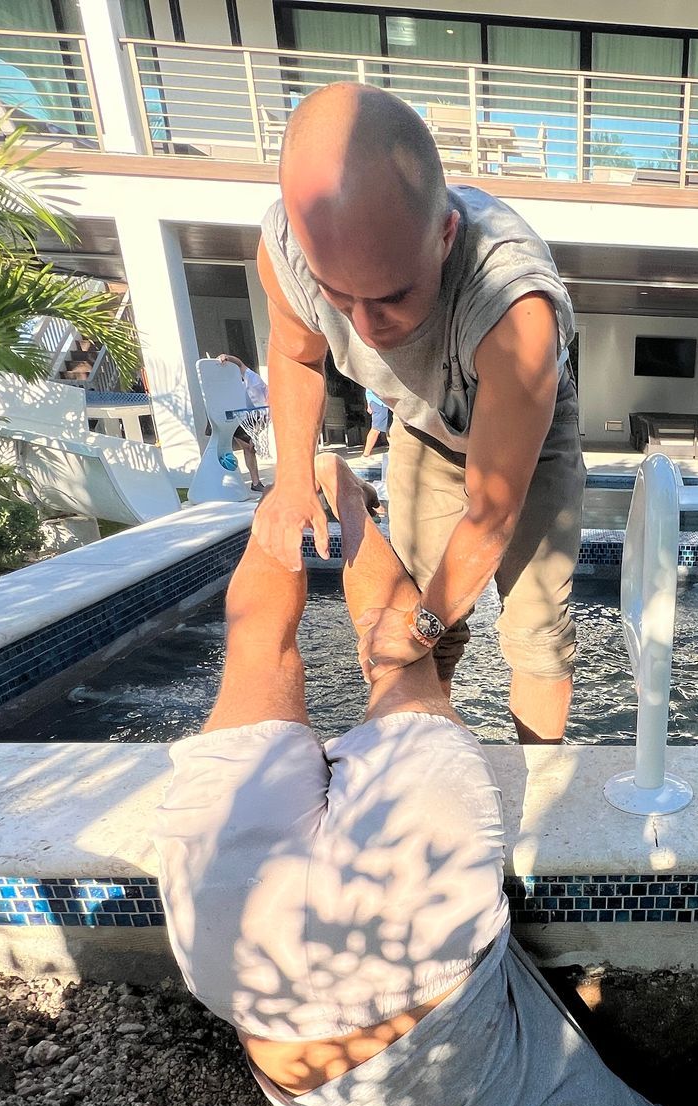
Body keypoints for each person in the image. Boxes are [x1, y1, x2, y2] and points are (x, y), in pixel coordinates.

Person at [152, 455, 698, 1106]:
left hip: (418, 909)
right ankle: (308, 493)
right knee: (261, 639)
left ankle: (343, 500)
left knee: (395, 659)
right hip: (248, 949)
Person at [253, 83, 586, 743]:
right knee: (422, 624)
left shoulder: (514, 307)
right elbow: (295, 358)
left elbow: (491, 518)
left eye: (393, 297)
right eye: (339, 298)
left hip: (528, 432)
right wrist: (292, 479)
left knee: (533, 630)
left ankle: (540, 801)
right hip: (420, 419)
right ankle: (426, 766)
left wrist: (419, 627)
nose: (368, 328)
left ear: (445, 234)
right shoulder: (291, 248)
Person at [215, 353, 270, 491]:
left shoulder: (253, 379)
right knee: (247, 448)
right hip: (237, 417)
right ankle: (253, 482)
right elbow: (238, 361)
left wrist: (257, 432)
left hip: (254, 417)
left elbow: (239, 363)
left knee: (251, 448)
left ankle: (255, 483)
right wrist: (225, 356)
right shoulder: (228, 387)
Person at [361, 386, 390, 459]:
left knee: (388, 428)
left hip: (379, 401)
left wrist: (369, 403)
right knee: (376, 429)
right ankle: (365, 455)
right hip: (379, 402)